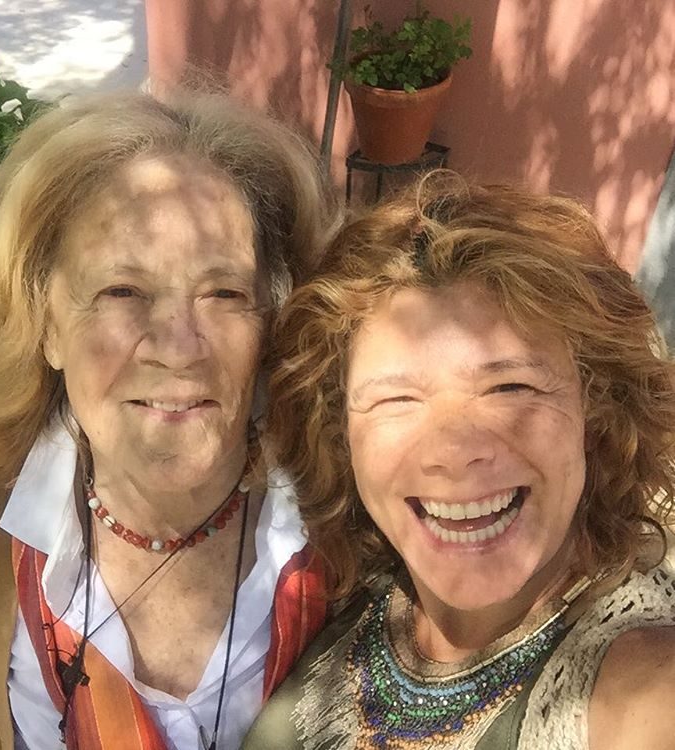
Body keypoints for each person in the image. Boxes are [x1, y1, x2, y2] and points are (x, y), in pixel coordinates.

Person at [0, 88, 336, 750]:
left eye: (223, 292)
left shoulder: (346, 515)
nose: (178, 347)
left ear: (272, 318)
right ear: (44, 324)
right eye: (122, 291)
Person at [242, 171, 675, 750]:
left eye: (510, 387)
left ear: (595, 411)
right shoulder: (356, 584)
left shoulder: (641, 689)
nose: (453, 453)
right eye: (397, 399)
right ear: (341, 434)